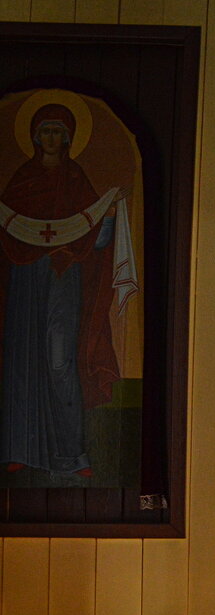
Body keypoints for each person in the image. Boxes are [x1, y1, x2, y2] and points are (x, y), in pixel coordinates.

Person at [0, 103, 130, 477]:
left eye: (57, 131)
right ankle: (20, 449)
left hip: (64, 278)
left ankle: (71, 455)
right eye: (45, 130)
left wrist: (107, 216)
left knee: (60, 361)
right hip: (27, 277)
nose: (51, 137)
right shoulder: (22, 180)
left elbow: (95, 241)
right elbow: (7, 234)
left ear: (69, 137)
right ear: (34, 136)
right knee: (23, 361)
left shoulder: (75, 180)